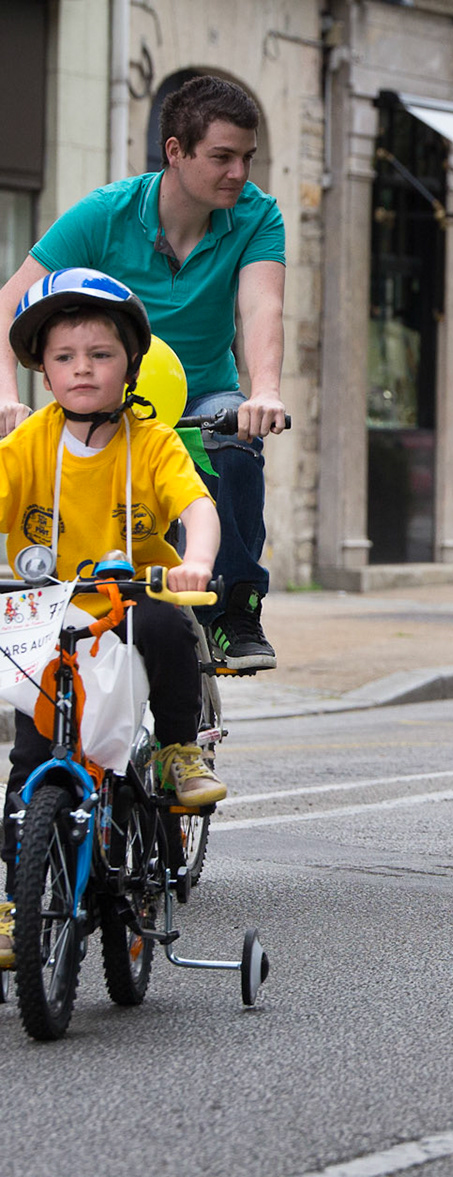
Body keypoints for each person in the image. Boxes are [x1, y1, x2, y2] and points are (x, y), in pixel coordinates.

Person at [0, 76, 290, 674]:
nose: (240, 172)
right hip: (113, 387)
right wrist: (6, 396)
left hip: (205, 391)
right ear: (175, 151)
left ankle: (234, 611)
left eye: (247, 158)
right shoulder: (105, 215)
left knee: (235, 447)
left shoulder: (258, 215)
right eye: (222, 157)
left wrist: (264, 391)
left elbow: (263, 306)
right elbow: (9, 304)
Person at [3, 272, 227, 804]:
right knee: (30, 754)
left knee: (169, 628)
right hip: (48, 606)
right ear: (43, 373)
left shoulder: (153, 442)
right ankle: (22, 875)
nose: (81, 367)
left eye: (100, 354)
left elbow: (197, 507)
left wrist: (195, 557)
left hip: (132, 597)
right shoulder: (29, 442)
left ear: (131, 364)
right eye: (63, 357)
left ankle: (178, 750)